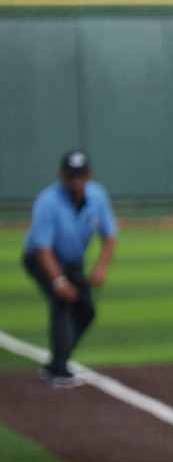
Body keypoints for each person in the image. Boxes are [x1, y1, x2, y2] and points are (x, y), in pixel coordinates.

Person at [20, 150, 117, 388]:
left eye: (81, 174)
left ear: (89, 175)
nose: (76, 180)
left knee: (86, 310)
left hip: (73, 262)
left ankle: (56, 361)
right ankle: (60, 370)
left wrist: (101, 267)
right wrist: (59, 282)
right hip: (41, 260)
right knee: (62, 302)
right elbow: (43, 248)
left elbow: (109, 235)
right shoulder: (48, 201)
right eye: (71, 174)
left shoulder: (97, 196)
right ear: (62, 175)